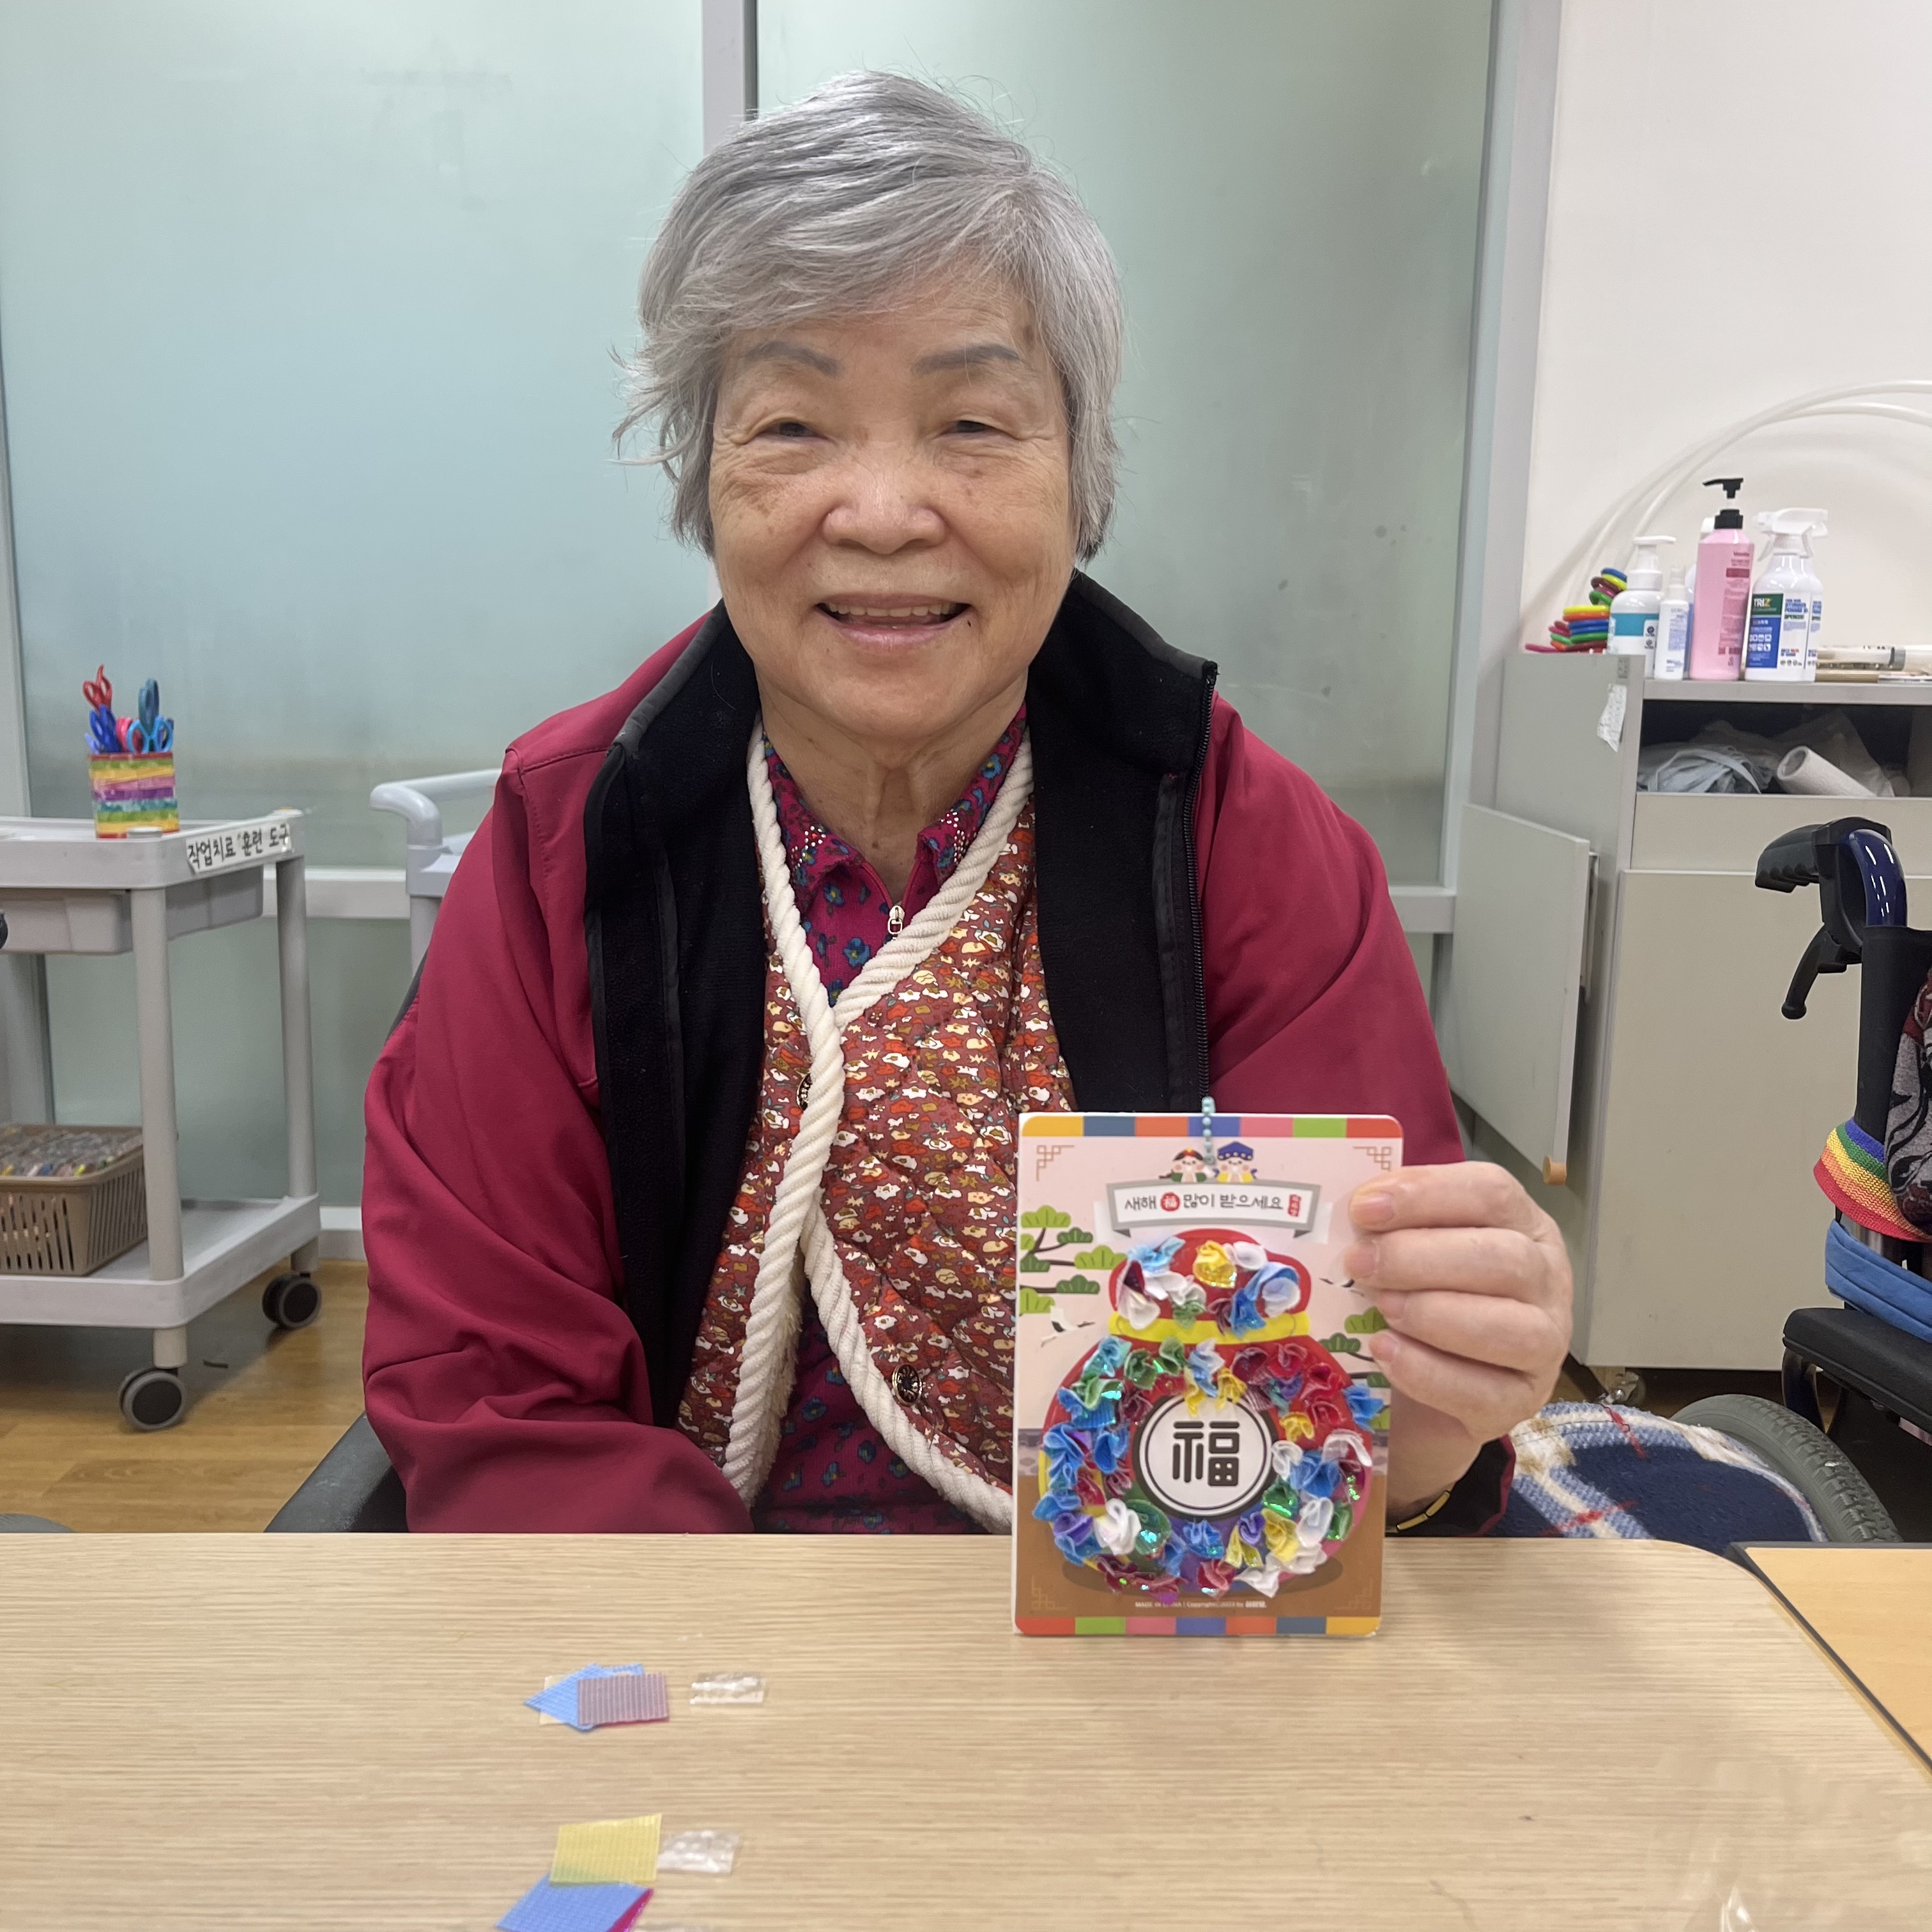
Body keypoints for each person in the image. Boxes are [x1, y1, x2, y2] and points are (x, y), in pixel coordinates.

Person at [359, 71, 1574, 1538]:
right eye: (793, 426)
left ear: (1080, 471)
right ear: (702, 475)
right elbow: (501, 1401)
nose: (883, 513)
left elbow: (1339, 1424)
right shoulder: (567, 847)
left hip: (1143, 1622)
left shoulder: (1244, 843)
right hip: (690, 1623)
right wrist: (748, 1664)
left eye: (973, 425)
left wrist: (1427, 1422)